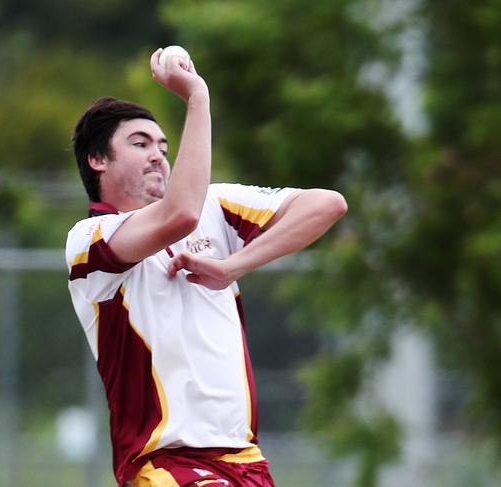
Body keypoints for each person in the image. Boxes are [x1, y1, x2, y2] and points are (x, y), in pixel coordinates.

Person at [65, 48, 347, 487]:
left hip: (247, 460)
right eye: (139, 144)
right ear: (97, 160)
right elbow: (180, 215)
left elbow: (326, 205)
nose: (159, 155)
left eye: (163, 145)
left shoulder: (214, 206)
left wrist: (233, 265)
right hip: (168, 464)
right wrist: (197, 97)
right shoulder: (91, 240)